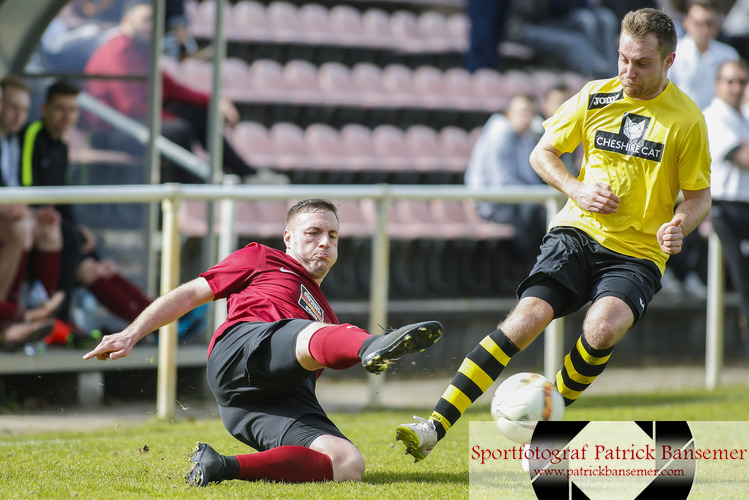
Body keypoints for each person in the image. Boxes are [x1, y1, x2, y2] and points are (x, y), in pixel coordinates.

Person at [396, 7, 711, 462]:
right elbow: (543, 154)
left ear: (668, 61)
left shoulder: (687, 120)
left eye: (641, 63)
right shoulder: (594, 97)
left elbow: (700, 197)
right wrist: (577, 188)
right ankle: (434, 425)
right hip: (577, 232)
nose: (627, 71)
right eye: (622, 58)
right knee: (527, 319)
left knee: (603, 328)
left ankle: (544, 433)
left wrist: (680, 223)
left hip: (638, 251)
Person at [82, 198, 444, 485]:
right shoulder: (262, 258)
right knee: (309, 334)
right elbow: (191, 293)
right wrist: (132, 332)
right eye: (314, 232)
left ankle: (220, 466)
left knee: (347, 463)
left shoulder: (326, 316)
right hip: (240, 353)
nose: (324, 242)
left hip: (266, 399)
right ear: (288, 238)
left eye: (333, 236)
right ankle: (372, 345)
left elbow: (323, 351)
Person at [83, 0, 286, 185]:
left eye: (154, 20)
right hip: (111, 129)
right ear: (126, 21)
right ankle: (189, 191)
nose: (151, 25)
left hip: (139, 122)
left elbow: (172, 88)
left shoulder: (142, 50)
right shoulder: (116, 53)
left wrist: (214, 101)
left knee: (201, 116)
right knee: (178, 130)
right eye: (145, 20)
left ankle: (247, 174)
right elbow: (131, 108)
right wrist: (175, 118)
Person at [18, 79, 158, 336]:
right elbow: (28, 184)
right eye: (60, 108)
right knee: (79, 252)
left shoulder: (62, 145)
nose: (66, 116)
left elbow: (65, 197)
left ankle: (157, 318)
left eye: (72, 110)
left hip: (59, 231)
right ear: (45, 109)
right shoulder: (32, 134)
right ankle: (61, 319)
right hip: (38, 229)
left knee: (99, 263)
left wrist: (82, 233)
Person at [0, 76, 65, 351]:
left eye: (24, 109)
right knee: (21, 228)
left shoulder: (12, 141)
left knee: (49, 229)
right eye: (13, 107)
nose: (19, 116)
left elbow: (14, 189)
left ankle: (40, 315)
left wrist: (33, 211)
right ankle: (14, 319)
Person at [702, 59, 749, 355]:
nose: (736, 88)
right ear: (718, 84)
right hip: (724, 209)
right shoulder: (713, 117)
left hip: (743, 206)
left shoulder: (742, 118)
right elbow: (742, 157)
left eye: (742, 82)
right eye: (730, 82)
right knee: (742, 284)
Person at [464, 94, 546, 261]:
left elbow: (530, 179)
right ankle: (534, 267)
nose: (528, 117)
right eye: (523, 112)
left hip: (514, 201)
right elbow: (503, 183)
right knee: (537, 212)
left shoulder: (524, 137)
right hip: (493, 204)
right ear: (508, 114)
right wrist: (539, 197)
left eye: (531, 112)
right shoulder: (499, 138)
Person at [509, 0, 620, 78]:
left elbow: (579, 7)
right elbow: (532, 14)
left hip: (548, 21)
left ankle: (612, 70)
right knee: (575, 40)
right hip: (522, 29)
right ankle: (598, 72)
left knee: (603, 18)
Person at [669, 1, 739, 109]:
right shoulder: (673, 53)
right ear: (686, 23)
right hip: (682, 122)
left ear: (717, 25)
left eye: (709, 23)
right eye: (698, 23)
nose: (704, 30)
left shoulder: (729, 55)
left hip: (716, 122)